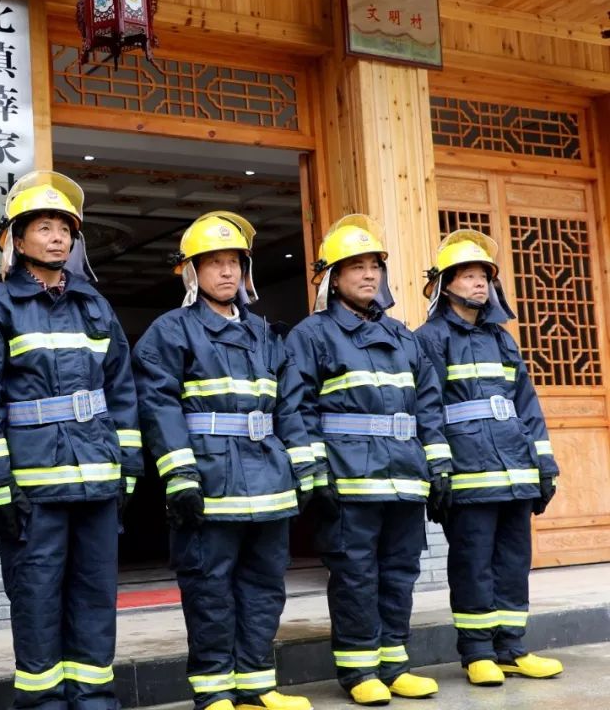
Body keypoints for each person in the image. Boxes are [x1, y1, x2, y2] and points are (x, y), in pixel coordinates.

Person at [0, 170, 143, 710]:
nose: (57, 237)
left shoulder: (95, 306)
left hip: (97, 479)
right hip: (33, 488)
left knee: (95, 594)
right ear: (17, 241)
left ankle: (94, 697)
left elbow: (122, 391)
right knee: (37, 597)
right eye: (44, 228)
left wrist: (129, 468)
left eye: (65, 229)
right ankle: (42, 702)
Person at [132, 212, 316, 710]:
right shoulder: (170, 332)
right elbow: (159, 407)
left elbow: (289, 406)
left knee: (264, 586)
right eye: (214, 262)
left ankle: (256, 684)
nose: (227, 271)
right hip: (210, 478)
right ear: (192, 272)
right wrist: (179, 475)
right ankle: (214, 690)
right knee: (209, 588)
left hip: (268, 477)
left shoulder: (265, 333)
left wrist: (305, 469)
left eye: (234, 262)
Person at [285, 214, 452, 706]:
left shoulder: (404, 336)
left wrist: (438, 466)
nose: (367, 275)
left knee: (400, 573)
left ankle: (394, 665)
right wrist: (313, 471)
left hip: (404, 478)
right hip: (349, 482)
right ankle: (359, 671)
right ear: (333, 278)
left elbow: (428, 407)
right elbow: (296, 408)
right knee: (356, 577)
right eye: (355, 266)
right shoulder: (311, 335)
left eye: (374, 266)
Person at [415, 229, 562, 686]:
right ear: (444, 285)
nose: (479, 283)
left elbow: (527, 405)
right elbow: (427, 407)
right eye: (467, 275)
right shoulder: (430, 338)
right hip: (468, 474)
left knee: (514, 562)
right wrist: (438, 467)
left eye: (484, 276)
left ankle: (512, 649)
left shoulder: (503, 339)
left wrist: (544, 464)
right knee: (472, 564)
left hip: (515, 470)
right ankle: (478, 652)